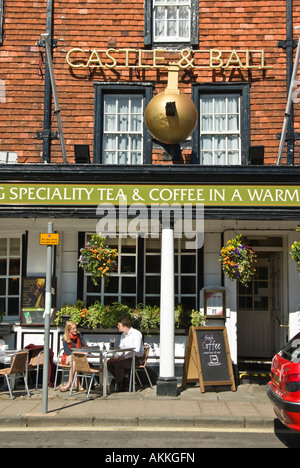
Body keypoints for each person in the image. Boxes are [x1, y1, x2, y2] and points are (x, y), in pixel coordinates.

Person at [107, 317, 144, 392]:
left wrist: (124, 357)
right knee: (109, 363)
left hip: (136, 358)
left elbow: (136, 350)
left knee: (118, 364)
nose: (117, 327)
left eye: (119, 325)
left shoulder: (136, 334)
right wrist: (115, 356)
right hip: (127, 357)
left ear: (125, 327)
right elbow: (121, 348)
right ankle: (125, 381)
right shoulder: (123, 335)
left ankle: (120, 384)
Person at [59, 321, 87, 392]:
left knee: (75, 363)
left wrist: (85, 351)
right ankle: (70, 384)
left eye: (75, 328)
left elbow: (84, 345)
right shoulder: (65, 338)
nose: (75, 330)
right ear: (69, 330)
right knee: (74, 363)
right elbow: (68, 352)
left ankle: (76, 384)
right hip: (69, 356)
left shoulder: (79, 335)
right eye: (73, 329)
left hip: (78, 356)